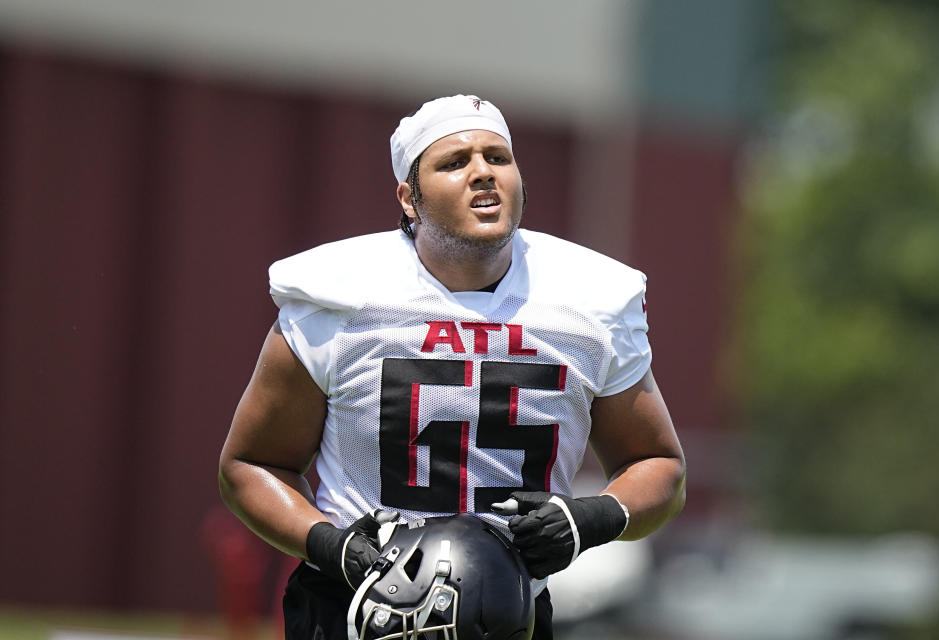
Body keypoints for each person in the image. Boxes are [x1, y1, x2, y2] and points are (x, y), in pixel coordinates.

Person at [218, 94, 686, 640]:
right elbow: (250, 465)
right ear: (409, 198)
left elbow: (659, 465)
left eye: (498, 157)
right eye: (454, 162)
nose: (482, 172)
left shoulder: (589, 302)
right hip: (354, 611)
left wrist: (588, 520)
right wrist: (332, 544)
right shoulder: (340, 298)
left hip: (512, 613)